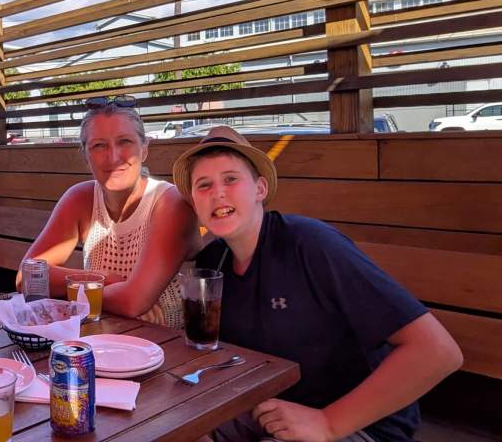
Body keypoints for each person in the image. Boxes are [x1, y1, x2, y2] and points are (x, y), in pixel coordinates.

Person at [173, 126, 463, 442]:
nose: (218, 193)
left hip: (357, 425)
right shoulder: (213, 262)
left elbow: (439, 351)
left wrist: (329, 422)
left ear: (260, 189)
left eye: (231, 179)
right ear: (194, 204)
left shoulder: (311, 245)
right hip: (267, 408)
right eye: (204, 185)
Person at [19, 96, 198, 326]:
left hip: (171, 350)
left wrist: (79, 295)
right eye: (99, 145)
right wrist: (100, 279)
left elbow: (133, 302)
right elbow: (27, 277)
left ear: (144, 149)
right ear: (85, 155)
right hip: (102, 338)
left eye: (124, 142)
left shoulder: (169, 203)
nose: (113, 157)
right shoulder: (80, 198)